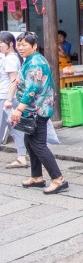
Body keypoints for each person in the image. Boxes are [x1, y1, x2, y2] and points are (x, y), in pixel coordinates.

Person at [11, 32, 69, 194]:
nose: (20, 48)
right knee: (30, 142)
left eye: (24, 45)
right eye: (19, 44)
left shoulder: (35, 63)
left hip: (36, 110)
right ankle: (37, 177)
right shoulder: (31, 60)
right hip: (33, 110)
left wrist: (19, 108)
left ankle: (58, 179)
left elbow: (32, 89)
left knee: (39, 145)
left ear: (34, 46)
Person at [0, 32, 28, 168]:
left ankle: (22, 156)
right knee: (14, 127)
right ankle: (22, 156)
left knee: (11, 126)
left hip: (6, 97)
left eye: (1, 42)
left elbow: (13, 80)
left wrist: (9, 100)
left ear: (11, 44)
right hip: (7, 96)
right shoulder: (9, 57)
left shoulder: (10, 58)